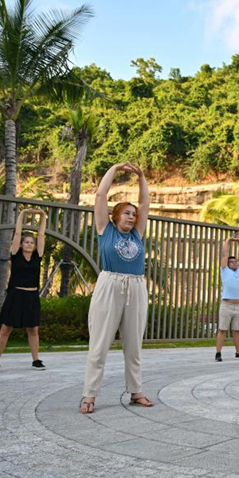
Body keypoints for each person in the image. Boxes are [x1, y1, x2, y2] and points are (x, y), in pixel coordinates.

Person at [80, 163, 153, 414]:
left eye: (134, 214)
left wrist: (141, 177)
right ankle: (89, 395)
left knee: (134, 345)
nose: (132, 217)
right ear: (115, 216)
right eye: (127, 213)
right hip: (110, 284)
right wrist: (114, 169)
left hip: (136, 286)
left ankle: (136, 392)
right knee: (99, 344)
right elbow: (100, 196)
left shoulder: (137, 235)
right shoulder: (105, 230)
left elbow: (145, 205)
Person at [0, 208, 48, 373]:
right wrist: (23, 214)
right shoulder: (15, 254)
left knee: (33, 329)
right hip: (16, 295)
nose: (29, 244)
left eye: (31, 242)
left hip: (32, 296)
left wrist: (43, 216)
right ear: (21, 245)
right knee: (6, 329)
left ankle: (36, 360)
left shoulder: (38, 256)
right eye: (26, 242)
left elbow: (42, 235)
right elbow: (17, 233)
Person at [215, 236, 239, 361]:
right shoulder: (224, 270)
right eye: (232, 262)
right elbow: (225, 254)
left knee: (237, 331)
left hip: (238, 306)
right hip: (226, 306)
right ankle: (218, 353)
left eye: (235, 262)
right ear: (227, 264)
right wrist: (228, 241)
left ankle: (238, 352)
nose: (235, 263)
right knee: (222, 330)